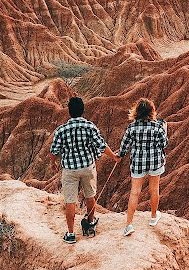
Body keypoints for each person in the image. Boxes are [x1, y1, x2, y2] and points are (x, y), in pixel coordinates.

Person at [50, 96, 119, 244]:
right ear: (82, 111)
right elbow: (102, 145)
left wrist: (53, 163)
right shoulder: (90, 127)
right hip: (88, 167)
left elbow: (54, 151)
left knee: (70, 201)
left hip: (69, 170)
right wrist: (113, 156)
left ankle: (70, 234)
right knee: (90, 196)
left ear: (69, 111)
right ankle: (89, 225)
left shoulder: (61, 130)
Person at [118, 98, 168, 236]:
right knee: (154, 189)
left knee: (135, 192)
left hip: (138, 163)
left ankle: (129, 225)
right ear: (152, 111)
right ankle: (153, 217)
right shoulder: (157, 126)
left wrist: (119, 155)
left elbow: (124, 146)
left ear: (137, 112)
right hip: (155, 161)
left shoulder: (132, 127)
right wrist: (165, 129)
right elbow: (164, 144)